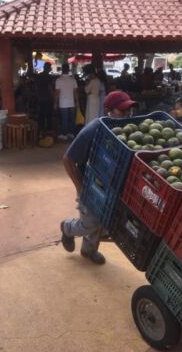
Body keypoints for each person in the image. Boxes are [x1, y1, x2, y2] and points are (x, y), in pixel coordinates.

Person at [60, 91, 136, 265]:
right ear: (108, 110)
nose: (126, 115)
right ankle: (67, 227)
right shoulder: (94, 128)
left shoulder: (127, 130)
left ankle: (89, 250)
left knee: (102, 221)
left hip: (110, 184)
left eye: (128, 111)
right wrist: (80, 187)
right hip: (89, 182)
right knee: (89, 222)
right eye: (121, 111)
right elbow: (67, 159)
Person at [55, 64, 78, 140]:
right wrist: (77, 102)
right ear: (69, 70)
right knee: (72, 119)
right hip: (72, 103)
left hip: (63, 102)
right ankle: (71, 134)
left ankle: (64, 134)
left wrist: (55, 103)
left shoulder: (58, 80)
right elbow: (75, 93)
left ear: (62, 70)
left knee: (64, 119)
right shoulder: (73, 80)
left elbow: (57, 93)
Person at [34, 62, 55, 135]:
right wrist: (53, 97)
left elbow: (36, 87)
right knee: (49, 115)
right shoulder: (49, 77)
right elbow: (50, 88)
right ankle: (49, 131)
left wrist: (38, 96)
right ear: (49, 68)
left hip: (41, 98)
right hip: (48, 99)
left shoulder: (39, 76)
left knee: (41, 115)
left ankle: (40, 130)